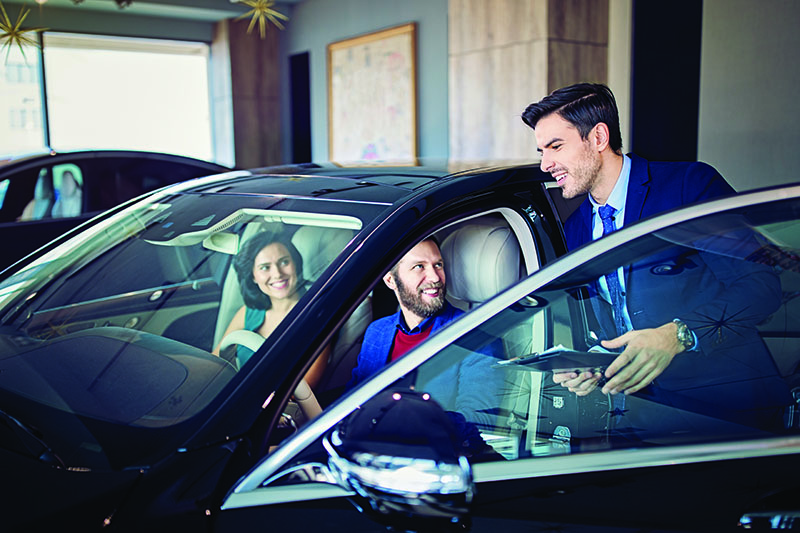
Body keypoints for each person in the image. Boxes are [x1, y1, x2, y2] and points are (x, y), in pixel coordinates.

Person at [521, 82, 789, 430]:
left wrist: (678, 334)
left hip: (729, 412)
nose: (545, 164)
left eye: (555, 146)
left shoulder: (688, 186)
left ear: (598, 138)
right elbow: (612, 323)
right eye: (542, 151)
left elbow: (762, 286)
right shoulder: (576, 229)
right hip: (640, 420)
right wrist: (593, 364)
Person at [347, 237, 503, 441]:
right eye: (419, 266)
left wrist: (402, 425)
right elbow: (351, 402)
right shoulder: (377, 332)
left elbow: (480, 422)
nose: (435, 277)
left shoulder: (475, 335)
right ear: (390, 280)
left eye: (438, 265)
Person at [216, 231, 328, 389]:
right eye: (265, 267)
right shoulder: (248, 312)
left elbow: (304, 391)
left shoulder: (316, 315)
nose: (277, 274)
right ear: (253, 276)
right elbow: (214, 364)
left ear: (295, 264)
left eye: (284, 262)